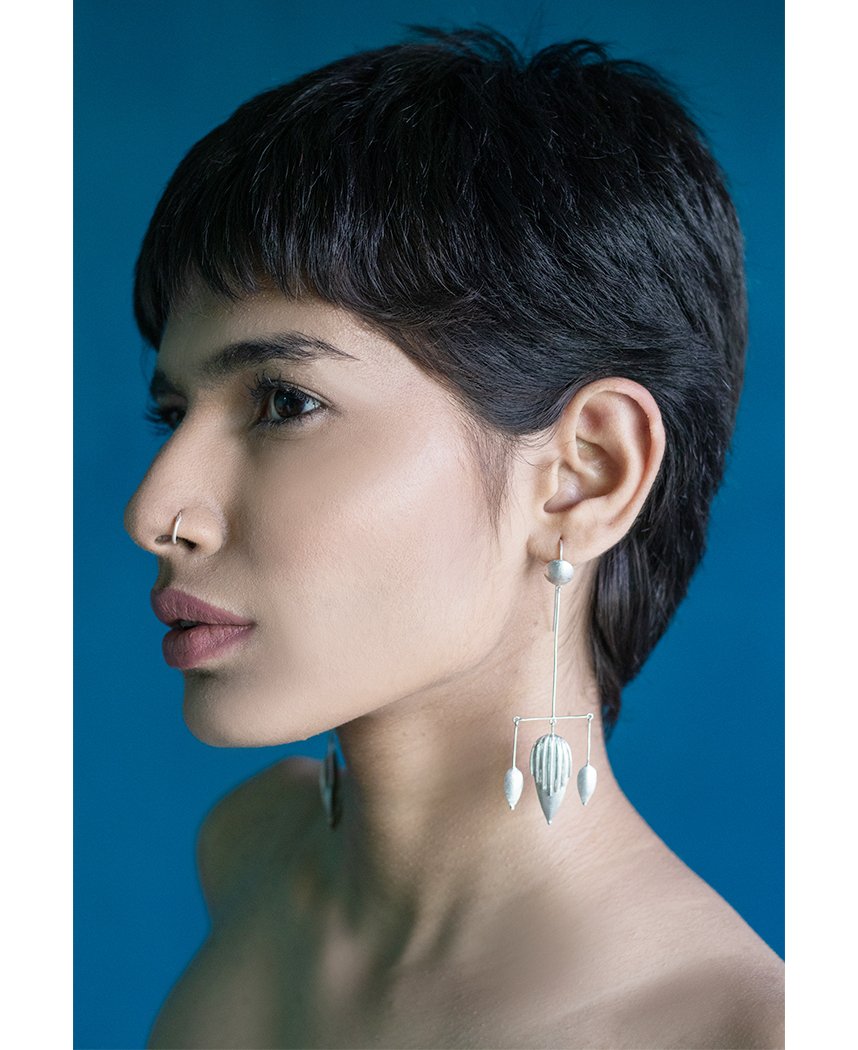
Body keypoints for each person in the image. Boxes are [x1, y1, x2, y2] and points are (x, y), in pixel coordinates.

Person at [123, 25, 784, 1050]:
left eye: (285, 401)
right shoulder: (250, 850)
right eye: (173, 414)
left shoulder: (740, 1031)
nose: (155, 511)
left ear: (585, 474)